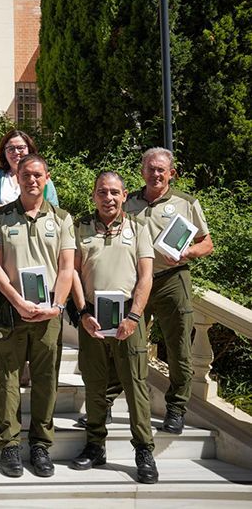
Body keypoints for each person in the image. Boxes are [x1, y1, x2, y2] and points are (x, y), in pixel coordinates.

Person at [0, 154, 74, 478]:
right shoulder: (1, 217)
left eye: (37, 175)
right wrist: (18, 301)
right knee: (8, 380)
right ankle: (9, 445)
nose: (32, 180)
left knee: (46, 381)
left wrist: (58, 306)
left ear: (46, 178)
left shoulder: (62, 218)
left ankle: (40, 445)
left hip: (49, 312)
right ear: (17, 179)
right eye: (26, 175)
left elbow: (67, 268)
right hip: (11, 310)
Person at [70, 171, 158, 484]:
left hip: (128, 320)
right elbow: (75, 274)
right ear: (94, 195)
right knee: (94, 385)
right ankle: (95, 446)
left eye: (114, 192)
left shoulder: (139, 227)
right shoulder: (80, 227)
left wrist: (135, 316)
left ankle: (144, 450)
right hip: (92, 318)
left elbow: (146, 276)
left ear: (124, 196)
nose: (108, 198)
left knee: (135, 387)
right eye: (102, 192)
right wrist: (82, 312)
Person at [123, 147, 213, 434]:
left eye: (161, 169)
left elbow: (207, 243)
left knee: (178, 347)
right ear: (142, 172)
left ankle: (176, 408)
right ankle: (113, 400)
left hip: (172, 280)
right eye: (150, 168)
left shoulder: (186, 203)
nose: (155, 173)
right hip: (136, 282)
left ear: (171, 173)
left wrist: (188, 253)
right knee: (126, 342)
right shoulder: (127, 203)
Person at [0, 129, 61, 384]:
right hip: (5, 252)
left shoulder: (40, 178)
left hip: (38, 253)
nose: (16, 152)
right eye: (11, 148)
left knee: (35, 311)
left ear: (30, 150)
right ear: (4, 153)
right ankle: (2, 364)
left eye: (21, 147)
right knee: (4, 310)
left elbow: (53, 211)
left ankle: (27, 366)